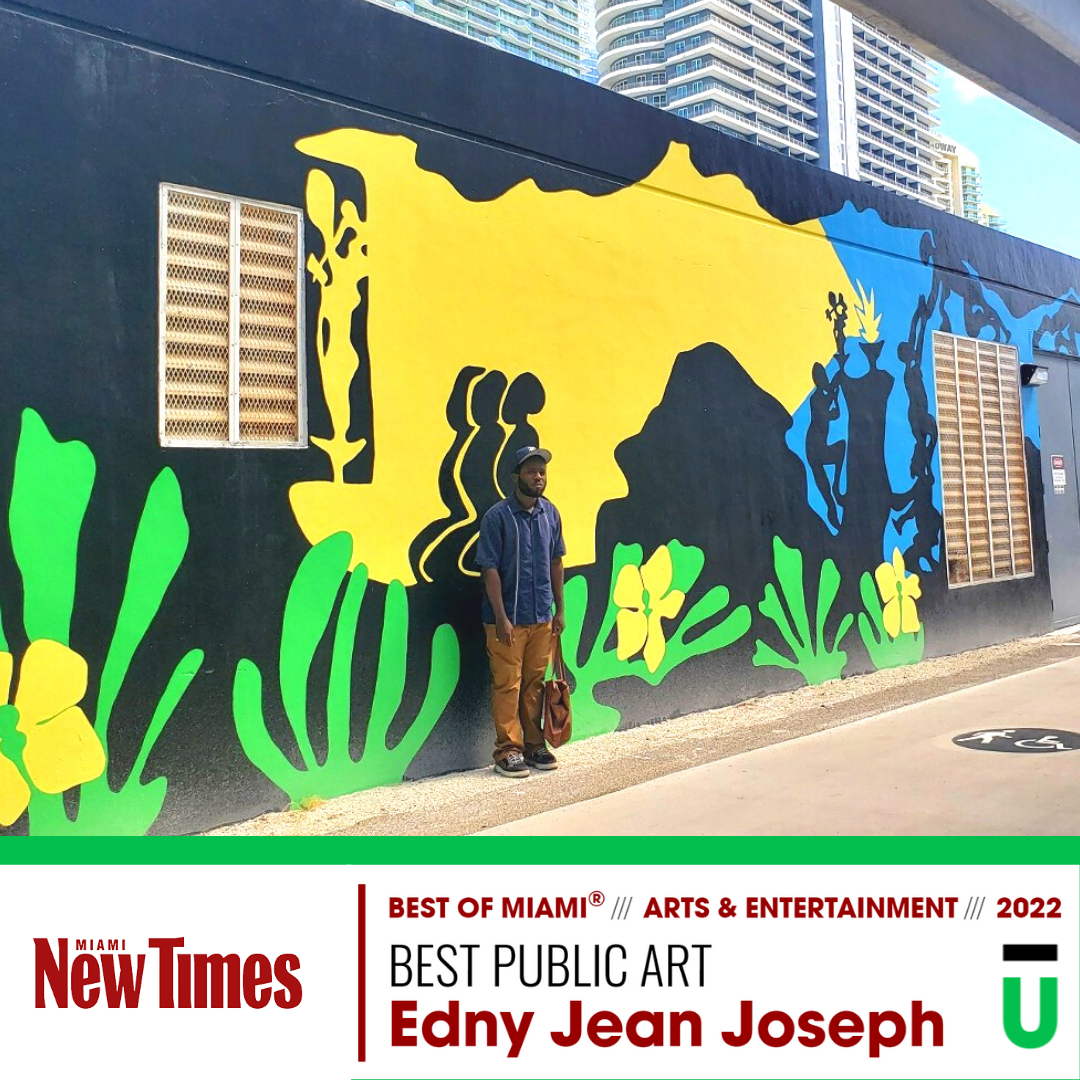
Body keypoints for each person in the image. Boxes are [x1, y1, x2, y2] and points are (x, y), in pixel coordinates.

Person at [476, 446, 565, 777]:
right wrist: (501, 618)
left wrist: (559, 610)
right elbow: (489, 569)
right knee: (508, 685)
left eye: (541, 471)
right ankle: (507, 750)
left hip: (542, 617)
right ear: (516, 477)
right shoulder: (497, 517)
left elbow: (556, 562)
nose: (538, 477)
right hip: (508, 621)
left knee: (534, 685)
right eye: (530, 471)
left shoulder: (550, 514)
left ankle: (533, 745)